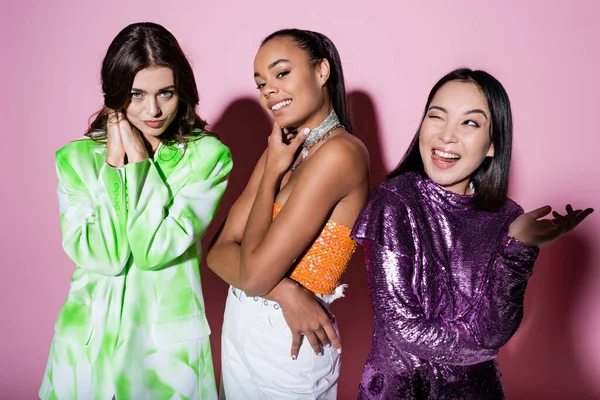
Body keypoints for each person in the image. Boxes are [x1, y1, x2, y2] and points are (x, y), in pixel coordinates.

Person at [351, 68, 594, 399]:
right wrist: (482, 346)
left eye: (469, 123)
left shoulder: (508, 218)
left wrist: (518, 247)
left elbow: (498, 327)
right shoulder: (394, 203)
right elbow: (403, 328)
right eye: (437, 117)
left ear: (492, 145)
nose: (446, 136)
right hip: (402, 391)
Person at [39, 22, 232, 400]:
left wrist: (139, 164)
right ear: (115, 95)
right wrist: (114, 164)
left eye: (166, 93)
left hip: (165, 354)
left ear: (182, 92)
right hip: (87, 346)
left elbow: (153, 250)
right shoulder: (75, 159)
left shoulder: (208, 158)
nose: (154, 110)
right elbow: (104, 257)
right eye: (136, 95)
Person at [206, 28, 369, 399]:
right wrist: (286, 292)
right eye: (261, 83)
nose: (269, 91)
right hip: (242, 328)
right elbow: (217, 251)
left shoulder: (341, 154)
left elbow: (256, 275)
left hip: (291, 342)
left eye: (281, 74)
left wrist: (271, 175)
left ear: (322, 71)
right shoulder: (283, 147)